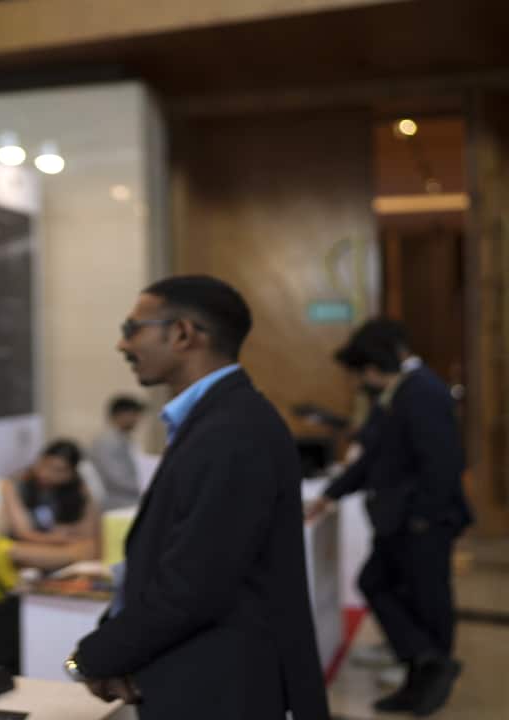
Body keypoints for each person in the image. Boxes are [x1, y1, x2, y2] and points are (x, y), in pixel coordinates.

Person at [69, 275, 328, 720]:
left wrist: (90, 659)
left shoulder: (234, 429)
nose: (121, 345)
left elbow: (193, 585)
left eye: (132, 329)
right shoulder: (215, 421)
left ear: (184, 333)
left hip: (224, 690)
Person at [306, 318, 471, 715]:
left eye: (364, 369)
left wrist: (422, 519)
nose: (363, 379)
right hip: (399, 519)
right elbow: (373, 457)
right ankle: (425, 667)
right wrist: (330, 495)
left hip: (419, 521)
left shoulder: (423, 392)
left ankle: (429, 669)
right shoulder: (398, 392)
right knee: (387, 587)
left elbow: (443, 464)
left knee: (422, 597)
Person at [0, 438, 95, 674]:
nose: (50, 474)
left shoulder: (77, 492)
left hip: (2, 592)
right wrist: (72, 551)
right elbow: (7, 549)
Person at [0, 440, 100, 546]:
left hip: (67, 545)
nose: (46, 473)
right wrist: (62, 537)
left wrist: (66, 532)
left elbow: (89, 530)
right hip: (29, 546)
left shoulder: (77, 487)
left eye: (58, 470)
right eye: (44, 465)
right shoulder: (16, 484)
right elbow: (23, 533)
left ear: (71, 474)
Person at [90, 395, 147, 511]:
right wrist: (146, 487)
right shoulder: (108, 441)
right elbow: (116, 479)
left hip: (128, 499)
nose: (137, 420)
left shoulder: (123, 439)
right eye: (134, 414)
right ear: (121, 415)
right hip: (118, 503)